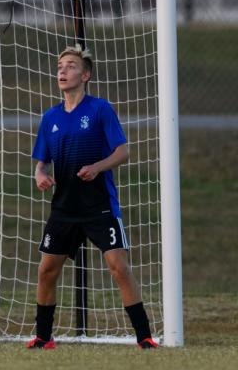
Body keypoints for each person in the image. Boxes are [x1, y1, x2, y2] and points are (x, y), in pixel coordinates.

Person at [27, 44, 158, 350]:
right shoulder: (51, 117)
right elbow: (41, 161)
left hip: (99, 206)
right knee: (46, 271)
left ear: (85, 75)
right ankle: (44, 337)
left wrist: (98, 167)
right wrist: (40, 174)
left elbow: (123, 151)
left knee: (118, 267)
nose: (63, 70)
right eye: (60, 66)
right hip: (64, 208)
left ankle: (144, 337)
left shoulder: (100, 109)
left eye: (70, 66)